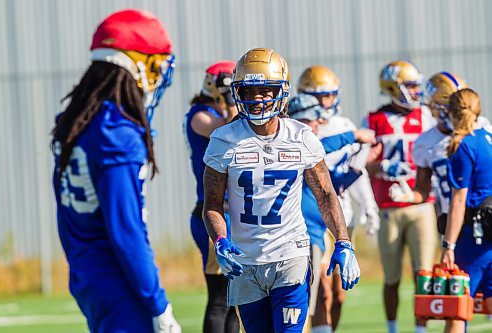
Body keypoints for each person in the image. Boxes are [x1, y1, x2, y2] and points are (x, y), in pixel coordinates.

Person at [202, 48, 360, 333]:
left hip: (291, 254)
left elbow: (326, 195)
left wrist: (343, 241)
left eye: (266, 90)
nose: (258, 99)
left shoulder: (301, 137)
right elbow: (211, 205)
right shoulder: (224, 140)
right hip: (245, 259)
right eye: (249, 91)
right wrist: (220, 240)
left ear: (282, 92)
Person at [51, 9, 180, 333]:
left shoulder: (79, 119)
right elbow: (126, 231)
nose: (156, 78)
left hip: (89, 274)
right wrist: (157, 303)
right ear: (135, 65)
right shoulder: (116, 131)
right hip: (120, 282)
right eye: (154, 68)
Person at [297, 66, 379, 332]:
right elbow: (322, 156)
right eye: (320, 97)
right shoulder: (300, 129)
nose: (325, 104)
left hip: (339, 212)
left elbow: (353, 171)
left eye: (330, 96)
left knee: (338, 291)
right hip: (313, 217)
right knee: (319, 290)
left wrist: (368, 205)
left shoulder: (343, 124)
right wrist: (353, 139)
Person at [364, 60, 437, 333]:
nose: (416, 91)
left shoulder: (427, 116)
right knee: (391, 277)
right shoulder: (374, 119)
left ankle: (420, 329)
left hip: (421, 205)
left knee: (424, 274)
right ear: (393, 86)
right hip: (389, 206)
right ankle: (392, 327)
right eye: (410, 85)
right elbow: (361, 162)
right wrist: (380, 166)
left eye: (417, 85)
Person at [389, 72, 489, 232]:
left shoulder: (484, 129)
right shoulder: (426, 142)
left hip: (486, 215)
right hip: (454, 224)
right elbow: (423, 190)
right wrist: (409, 196)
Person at [184, 60, 240, 333]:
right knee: (220, 297)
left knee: (235, 298)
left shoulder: (227, 112)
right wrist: (229, 96)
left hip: (234, 213)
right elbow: (228, 129)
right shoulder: (199, 114)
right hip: (213, 212)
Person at [440, 88, 492, 333]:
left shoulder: (464, 146)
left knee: (457, 309)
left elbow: (458, 201)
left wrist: (448, 245)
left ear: (451, 113)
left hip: (476, 236)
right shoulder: (488, 137)